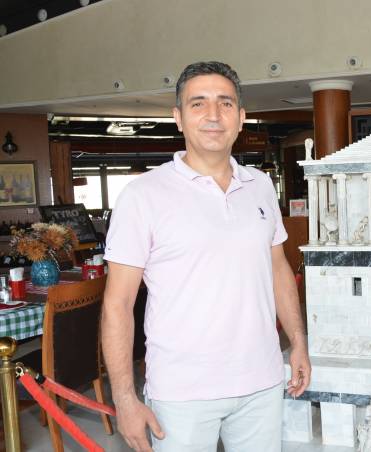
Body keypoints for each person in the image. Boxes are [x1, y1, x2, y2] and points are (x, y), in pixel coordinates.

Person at [101, 61, 311, 452]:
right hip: (182, 393)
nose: (213, 115)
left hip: (261, 381)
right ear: (178, 118)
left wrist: (298, 340)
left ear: (241, 117)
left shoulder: (261, 185)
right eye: (198, 103)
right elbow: (118, 304)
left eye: (225, 103)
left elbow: (278, 269)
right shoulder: (143, 195)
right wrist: (124, 398)